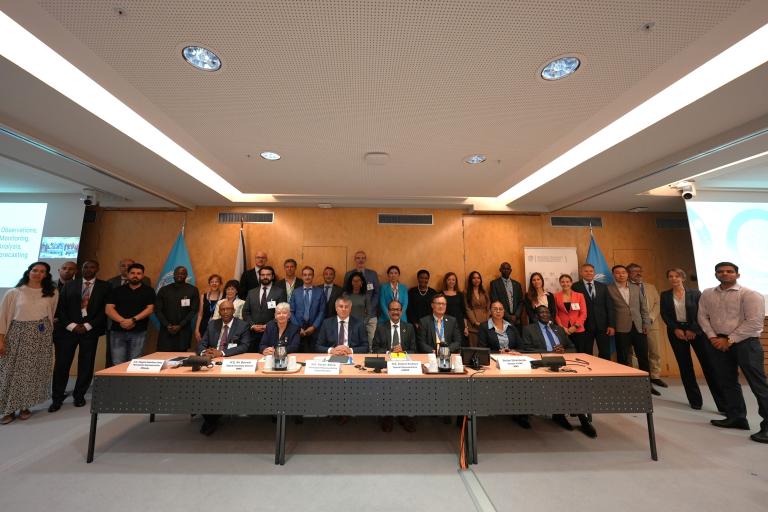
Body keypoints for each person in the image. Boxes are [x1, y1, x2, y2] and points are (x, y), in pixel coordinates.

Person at [698, 262, 768, 443]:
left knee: (758, 385)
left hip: (746, 343)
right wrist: (713, 337)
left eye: (730, 271)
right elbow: (702, 317)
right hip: (718, 342)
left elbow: (755, 323)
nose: (725, 274)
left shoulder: (751, 295)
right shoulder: (707, 293)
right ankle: (737, 417)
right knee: (727, 381)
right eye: (720, 271)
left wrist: (728, 340)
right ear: (715, 274)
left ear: (737, 275)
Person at [522, 306, 597, 438]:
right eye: (542, 312)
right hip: (542, 367)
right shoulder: (529, 329)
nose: (545, 314)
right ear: (536, 315)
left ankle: (581, 419)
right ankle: (561, 415)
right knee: (562, 385)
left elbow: (573, 348)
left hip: (562, 365)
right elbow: (526, 350)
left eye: (547, 312)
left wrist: (563, 351)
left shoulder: (559, 329)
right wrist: (550, 353)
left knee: (574, 385)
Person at [660, 268, 726, 412]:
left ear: (683, 278)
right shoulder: (665, 295)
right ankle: (695, 401)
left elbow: (703, 312)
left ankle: (723, 404)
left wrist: (693, 329)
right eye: (670, 276)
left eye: (677, 276)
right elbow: (664, 314)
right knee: (685, 367)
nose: (673, 279)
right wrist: (675, 329)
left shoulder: (695, 293)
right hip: (676, 333)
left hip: (697, 332)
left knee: (709, 366)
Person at [0, 262, 58, 425]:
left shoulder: (52, 293)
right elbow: (2, 317)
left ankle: (25, 406)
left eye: (42, 271)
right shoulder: (14, 292)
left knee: (31, 373)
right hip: (16, 335)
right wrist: (1, 340)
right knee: (10, 373)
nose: (38, 273)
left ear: (46, 275)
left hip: (40, 336)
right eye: (35, 270)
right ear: (28, 272)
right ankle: (9, 409)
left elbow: (51, 314)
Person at [50, 260, 109, 412]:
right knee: (62, 364)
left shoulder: (105, 286)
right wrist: (72, 326)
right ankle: (57, 398)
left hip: (90, 331)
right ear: (80, 269)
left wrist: (88, 326)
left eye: (91, 267)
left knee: (86, 364)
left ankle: (79, 395)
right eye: (85, 267)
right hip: (68, 331)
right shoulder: (69, 285)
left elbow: (105, 311)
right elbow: (61, 309)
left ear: (97, 268)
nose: (88, 269)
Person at [196, 300, 253, 436]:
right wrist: (205, 353)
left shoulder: (242, 325)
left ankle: (213, 417)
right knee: (203, 387)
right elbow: (201, 344)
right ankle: (210, 418)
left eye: (228, 309)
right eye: (223, 310)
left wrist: (221, 353)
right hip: (210, 363)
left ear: (233, 310)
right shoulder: (212, 324)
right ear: (219, 312)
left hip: (230, 363)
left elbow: (245, 346)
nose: (226, 312)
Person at [607, 265, 656, 394]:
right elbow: (609, 310)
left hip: (639, 327)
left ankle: (648, 385)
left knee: (643, 357)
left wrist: (646, 324)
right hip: (621, 327)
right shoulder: (608, 289)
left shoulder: (635, 288)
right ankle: (624, 385)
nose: (621, 275)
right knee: (623, 358)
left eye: (623, 272)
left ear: (627, 274)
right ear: (613, 275)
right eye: (617, 273)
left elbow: (643, 308)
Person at [373, 300, 417, 433]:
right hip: (386, 365)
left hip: (404, 366)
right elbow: (375, 349)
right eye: (392, 309)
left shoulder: (408, 327)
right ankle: (388, 416)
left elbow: (414, 350)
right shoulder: (381, 327)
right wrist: (389, 352)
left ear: (401, 312)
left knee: (406, 388)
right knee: (387, 387)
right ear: (388, 312)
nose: (395, 312)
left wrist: (403, 351)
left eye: (398, 309)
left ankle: (404, 416)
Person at [105, 263, 156, 365]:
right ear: (127, 275)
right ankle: (119, 381)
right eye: (132, 273)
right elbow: (109, 309)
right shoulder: (117, 290)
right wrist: (123, 321)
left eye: (138, 273)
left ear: (142, 275)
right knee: (117, 362)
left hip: (139, 331)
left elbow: (150, 309)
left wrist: (132, 320)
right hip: (117, 331)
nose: (135, 275)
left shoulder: (149, 291)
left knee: (135, 361)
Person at [628, 263, 667, 388]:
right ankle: (638, 376)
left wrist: (650, 318)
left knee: (654, 351)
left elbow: (657, 303)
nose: (638, 273)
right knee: (635, 352)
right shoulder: (626, 287)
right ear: (628, 273)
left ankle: (655, 376)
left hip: (651, 323)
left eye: (640, 270)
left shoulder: (650, 287)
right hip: (634, 324)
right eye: (634, 271)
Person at [571, 263, 615, 360]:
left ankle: (605, 373)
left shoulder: (603, 286)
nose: (589, 273)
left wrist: (611, 325)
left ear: (594, 273)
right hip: (585, 326)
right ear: (581, 273)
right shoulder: (575, 286)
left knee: (605, 353)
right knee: (586, 354)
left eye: (591, 271)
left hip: (603, 326)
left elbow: (609, 306)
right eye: (586, 271)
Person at [154, 266, 200, 352]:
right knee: (163, 356)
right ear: (173, 275)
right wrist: (167, 325)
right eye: (177, 273)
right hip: (166, 330)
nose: (180, 275)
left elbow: (194, 310)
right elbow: (157, 310)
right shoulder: (164, 290)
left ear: (186, 275)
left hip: (183, 330)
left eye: (182, 274)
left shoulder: (193, 290)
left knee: (180, 357)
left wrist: (180, 325)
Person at [243, 266, 286, 351]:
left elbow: (282, 313)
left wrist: (268, 325)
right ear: (259, 276)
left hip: (272, 332)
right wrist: (252, 325)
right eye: (262, 275)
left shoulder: (280, 292)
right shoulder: (251, 292)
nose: (265, 277)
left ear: (272, 276)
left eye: (268, 275)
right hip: (253, 333)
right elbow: (245, 312)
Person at [343, 250, 379, 343]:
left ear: (365, 260)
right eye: (358, 258)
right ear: (355, 260)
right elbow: (345, 292)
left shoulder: (372, 274)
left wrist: (370, 307)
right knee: (355, 341)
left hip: (370, 314)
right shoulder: (348, 274)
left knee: (371, 340)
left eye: (363, 258)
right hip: (354, 314)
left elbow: (376, 293)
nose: (360, 260)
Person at [290, 266, 327, 352]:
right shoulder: (295, 292)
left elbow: (322, 311)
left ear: (313, 276)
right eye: (305, 275)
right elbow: (291, 311)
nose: (307, 277)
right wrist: (298, 328)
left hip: (314, 330)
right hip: (298, 330)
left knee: (314, 354)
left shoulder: (320, 292)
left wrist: (314, 327)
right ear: (302, 276)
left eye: (310, 275)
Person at [554, 274, 589, 353]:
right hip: (563, 330)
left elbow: (583, 313)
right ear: (560, 283)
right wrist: (562, 327)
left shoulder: (579, 296)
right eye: (562, 282)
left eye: (567, 282)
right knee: (564, 352)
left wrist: (575, 326)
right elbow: (555, 314)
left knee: (580, 352)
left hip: (578, 329)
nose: (565, 284)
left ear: (571, 282)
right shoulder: (556, 296)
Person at [489, 262, 524, 331]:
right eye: (504, 269)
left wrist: (516, 316)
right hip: (502, 319)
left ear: (511, 270)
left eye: (508, 269)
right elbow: (495, 300)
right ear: (500, 270)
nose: (506, 270)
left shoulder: (517, 284)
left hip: (516, 320)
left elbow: (521, 302)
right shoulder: (494, 284)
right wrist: (508, 316)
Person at [194, 274, 222, 342]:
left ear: (220, 283)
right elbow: (200, 314)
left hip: (219, 326)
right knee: (203, 347)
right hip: (204, 326)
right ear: (209, 283)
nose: (214, 283)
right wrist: (197, 329)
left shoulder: (224, 296)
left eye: (216, 281)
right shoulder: (203, 296)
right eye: (212, 282)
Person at [465, 271, 490, 348]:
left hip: (485, 322)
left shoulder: (484, 291)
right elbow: (467, 308)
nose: (476, 280)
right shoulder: (466, 292)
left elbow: (489, 305)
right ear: (471, 280)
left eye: (478, 278)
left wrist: (487, 319)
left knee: (485, 348)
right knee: (474, 348)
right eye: (474, 278)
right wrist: (475, 322)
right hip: (473, 325)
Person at [442, 272, 467, 342]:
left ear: (456, 282)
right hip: (445, 322)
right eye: (449, 279)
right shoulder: (441, 294)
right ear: (445, 281)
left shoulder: (460, 294)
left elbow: (464, 312)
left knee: (459, 343)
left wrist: (465, 327)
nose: (451, 281)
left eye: (453, 280)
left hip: (459, 323)